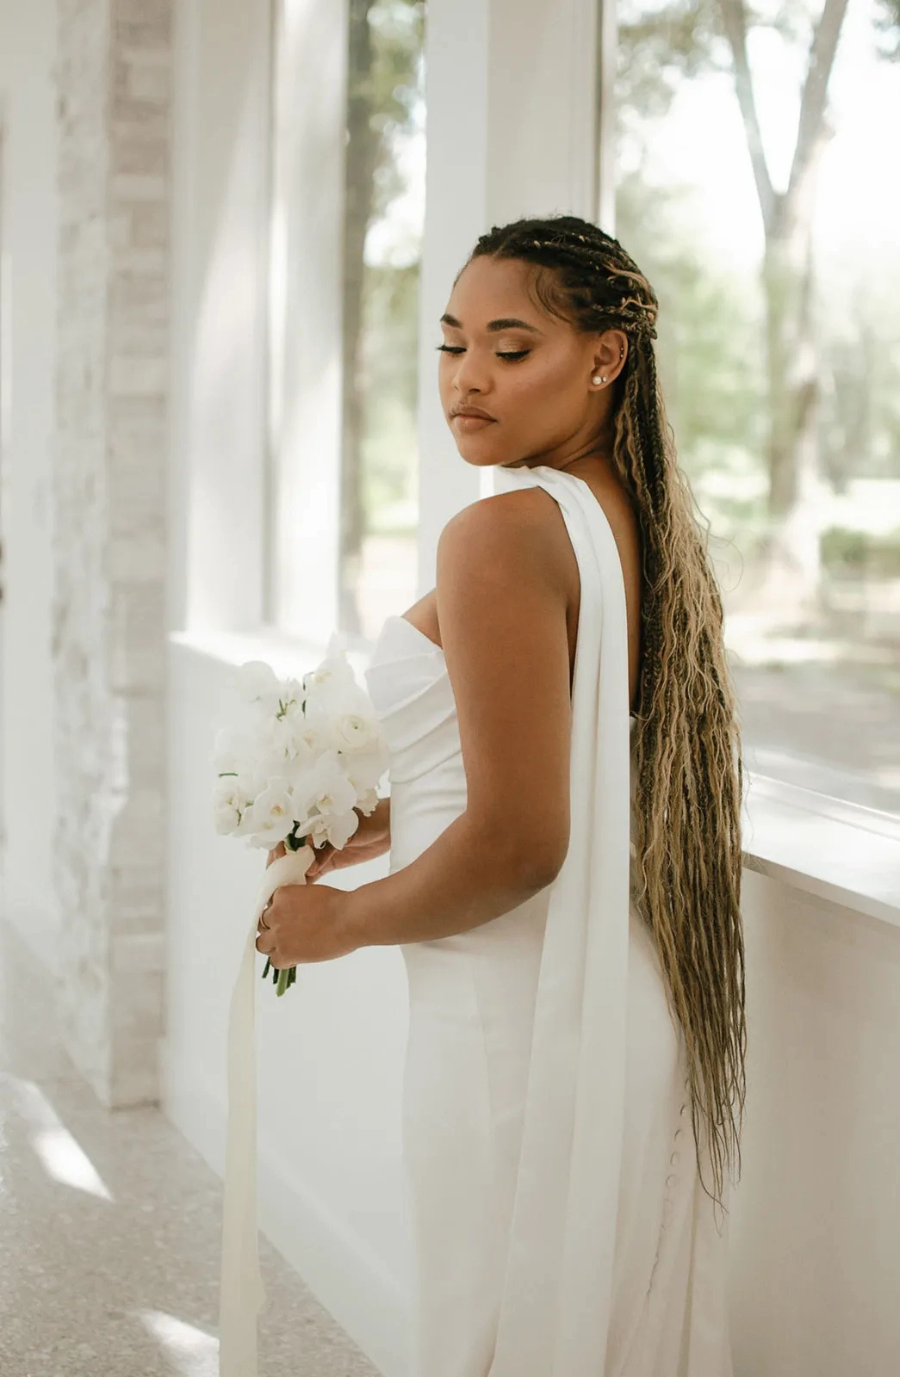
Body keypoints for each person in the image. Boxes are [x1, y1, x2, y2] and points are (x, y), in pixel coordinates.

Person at [267, 213, 747, 1375]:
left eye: (511, 346)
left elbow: (524, 840)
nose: (468, 379)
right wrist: (384, 810)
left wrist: (335, 923)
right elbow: (541, 752)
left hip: (507, 1023)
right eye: (451, 345)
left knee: (489, 1341)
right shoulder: (640, 524)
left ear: (604, 357)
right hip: (609, 1004)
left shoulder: (498, 536)